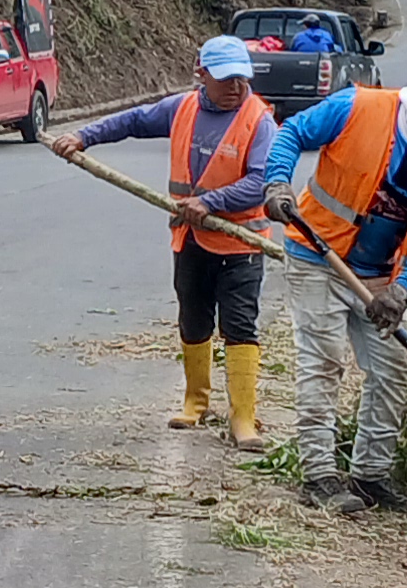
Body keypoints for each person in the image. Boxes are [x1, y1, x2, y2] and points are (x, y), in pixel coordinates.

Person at [257, 62, 407, 513]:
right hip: (317, 256)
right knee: (323, 364)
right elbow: (292, 133)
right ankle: (319, 476)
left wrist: (403, 290)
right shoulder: (357, 107)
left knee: (392, 368)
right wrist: (278, 183)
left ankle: (371, 475)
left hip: (381, 273)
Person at [52, 36, 278, 441]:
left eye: (242, 78)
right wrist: (84, 136)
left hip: (241, 243)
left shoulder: (259, 121)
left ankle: (243, 417)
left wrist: (211, 201)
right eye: (226, 78)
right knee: (193, 318)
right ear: (202, 73)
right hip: (190, 238)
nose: (236, 87)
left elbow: (262, 182)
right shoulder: (183, 108)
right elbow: (133, 121)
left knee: (240, 325)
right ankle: (196, 403)